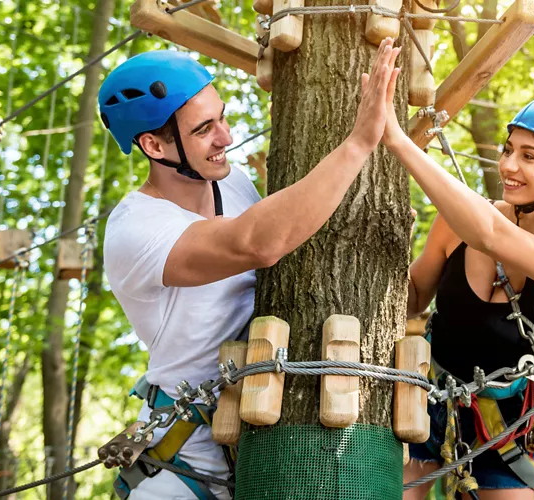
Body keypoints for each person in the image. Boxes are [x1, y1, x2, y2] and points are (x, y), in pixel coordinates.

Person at [99, 40, 400, 500]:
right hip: (186, 460)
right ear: (153, 145)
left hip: (263, 432)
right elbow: (258, 242)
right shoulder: (135, 229)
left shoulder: (232, 182)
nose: (226, 137)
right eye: (205, 129)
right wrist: (359, 142)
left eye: (221, 116)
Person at [382, 91, 534, 498]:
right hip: (424, 401)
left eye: (528, 157)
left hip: (502, 427)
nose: (508, 166)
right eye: (507, 149)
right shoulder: (458, 225)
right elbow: (411, 300)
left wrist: (399, 141)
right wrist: (393, 253)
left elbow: (492, 235)